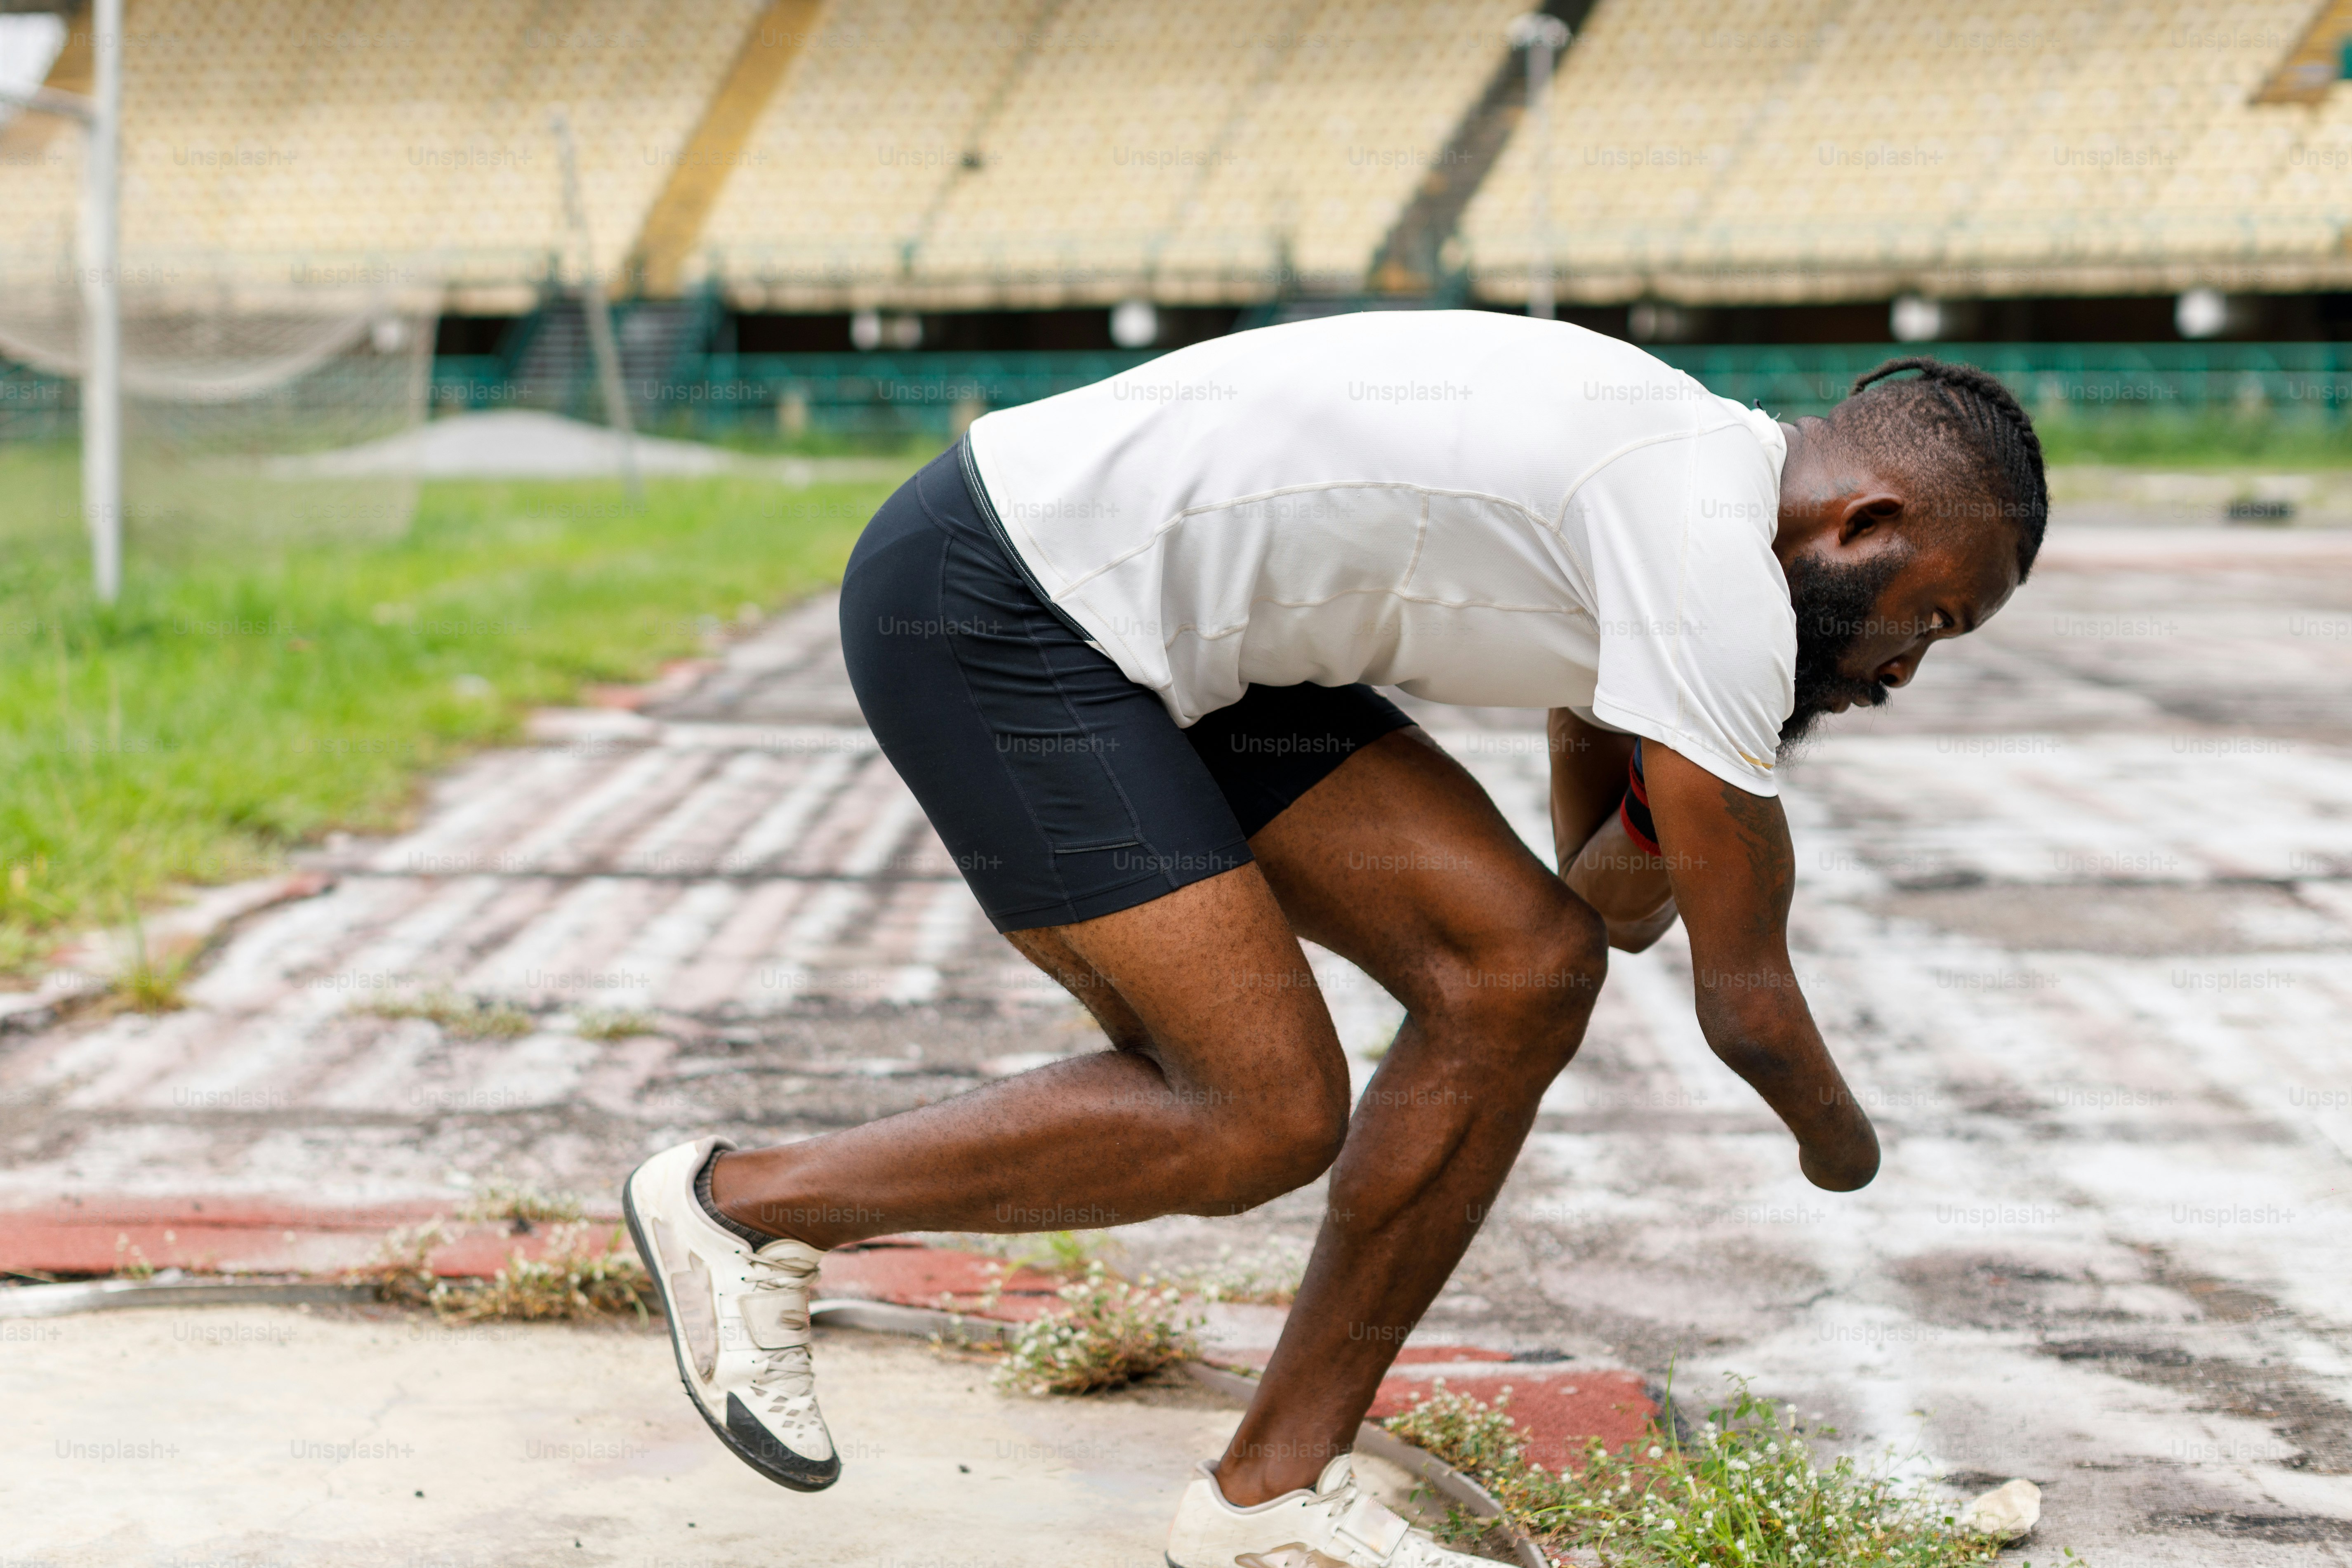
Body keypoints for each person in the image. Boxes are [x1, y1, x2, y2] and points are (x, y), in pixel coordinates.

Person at [620, 312, 2047, 1567]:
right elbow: (1749, 1007)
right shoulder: (1701, 551)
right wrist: (1857, 1162)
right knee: (1257, 1108)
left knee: (1519, 967)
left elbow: (1600, 908)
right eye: (1931, 616)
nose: (1905, 670)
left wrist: (1688, 798)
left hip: (1187, 651)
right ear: (1862, 522)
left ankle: (1269, 1494)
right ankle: (743, 1206)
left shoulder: (1690, 513)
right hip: (1003, 601)